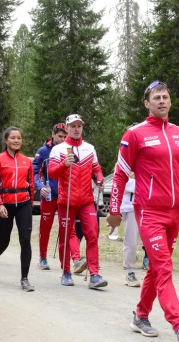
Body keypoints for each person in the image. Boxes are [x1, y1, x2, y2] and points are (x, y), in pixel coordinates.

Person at [106, 81, 179, 342]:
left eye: (165, 97)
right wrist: (114, 212)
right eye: (156, 97)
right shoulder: (134, 134)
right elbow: (121, 174)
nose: (161, 101)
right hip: (148, 213)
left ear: (170, 101)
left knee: (158, 268)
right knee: (165, 267)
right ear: (147, 103)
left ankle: (140, 316)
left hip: (172, 214)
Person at [48, 114, 108, 289]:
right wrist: (64, 165)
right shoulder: (58, 149)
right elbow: (52, 173)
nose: (76, 129)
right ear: (66, 128)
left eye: (79, 126)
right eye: (72, 126)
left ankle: (95, 275)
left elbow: (97, 169)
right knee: (66, 238)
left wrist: (99, 179)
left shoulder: (89, 148)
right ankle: (66, 272)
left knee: (92, 235)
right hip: (66, 200)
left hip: (86, 200)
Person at [0, 127, 35, 292]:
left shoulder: (26, 161)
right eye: (13, 138)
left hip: (24, 204)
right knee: (3, 242)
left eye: (19, 138)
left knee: (25, 240)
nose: (16, 141)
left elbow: (32, 184)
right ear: (6, 140)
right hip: (5, 204)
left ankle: (25, 278)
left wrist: (31, 204)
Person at [32, 123, 82, 270]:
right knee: (45, 228)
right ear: (53, 135)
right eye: (60, 136)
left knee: (69, 229)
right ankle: (42, 257)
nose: (62, 139)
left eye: (65, 136)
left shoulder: (69, 149)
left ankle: (76, 260)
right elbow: (35, 173)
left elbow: (78, 171)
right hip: (49, 196)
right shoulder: (43, 151)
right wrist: (40, 187)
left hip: (65, 197)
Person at [121, 173, 141, 288]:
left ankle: (133, 257)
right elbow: (123, 184)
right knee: (131, 241)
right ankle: (129, 272)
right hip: (130, 208)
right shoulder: (125, 163)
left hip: (148, 207)